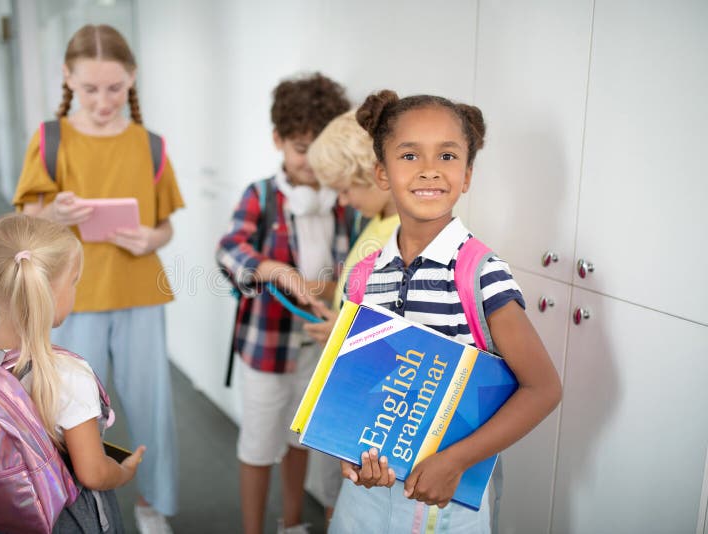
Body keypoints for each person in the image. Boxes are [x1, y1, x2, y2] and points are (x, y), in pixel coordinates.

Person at [328, 91, 563, 533]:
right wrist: (349, 452)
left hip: (444, 504)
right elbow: (353, 386)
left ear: (467, 174)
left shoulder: (481, 276)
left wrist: (455, 461)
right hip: (365, 500)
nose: (430, 169)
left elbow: (543, 389)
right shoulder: (362, 277)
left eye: (448, 155)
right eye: (410, 154)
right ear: (382, 172)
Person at [13, 24, 184, 534]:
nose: (104, 100)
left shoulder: (149, 144)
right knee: (66, 415)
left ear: (132, 78)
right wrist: (55, 215)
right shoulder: (50, 139)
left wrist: (150, 240)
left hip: (139, 290)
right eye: (90, 89)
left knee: (152, 406)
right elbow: (24, 220)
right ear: (68, 78)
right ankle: (70, 506)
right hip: (69, 296)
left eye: (115, 88)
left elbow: (166, 224)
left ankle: (153, 504)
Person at [215, 72, 351, 534]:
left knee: (300, 440)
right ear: (278, 140)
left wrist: (330, 290)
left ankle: (292, 522)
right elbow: (229, 249)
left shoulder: (343, 202)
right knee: (258, 445)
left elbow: (354, 266)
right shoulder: (260, 195)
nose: (310, 165)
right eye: (299, 150)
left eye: (319, 152)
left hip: (318, 349)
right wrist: (274, 270)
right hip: (266, 349)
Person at [0, 213, 145, 532]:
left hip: (4, 514)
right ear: (43, 291)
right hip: (68, 520)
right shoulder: (67, 374)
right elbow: (92, 473)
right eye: (73, 281)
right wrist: (124, 472)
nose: (75, 289)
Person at [301, 109, 400, 523]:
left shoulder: (399, 232)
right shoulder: (375, 222)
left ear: (374, 173)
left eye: (344, 190)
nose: (343, 202)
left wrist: (344, 332)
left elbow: (394, 329)